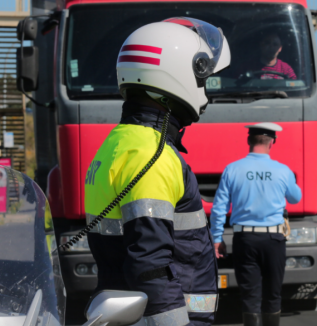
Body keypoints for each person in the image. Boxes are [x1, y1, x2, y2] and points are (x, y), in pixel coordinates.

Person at [84, 17, 231, 326]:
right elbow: (149, 266)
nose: (206, 91)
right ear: (177, 74)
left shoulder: (118, 143)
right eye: (202, 78)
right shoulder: (152, 156)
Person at [210, 123, 302, 326]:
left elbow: (219, 208)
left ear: (248, 141)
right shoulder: (282, 170)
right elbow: (296, 198)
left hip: (245, 239)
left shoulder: (232, 169)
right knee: (273, 294)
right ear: (272, 142)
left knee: (250, 295)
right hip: (274, 240)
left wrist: (217, 238)